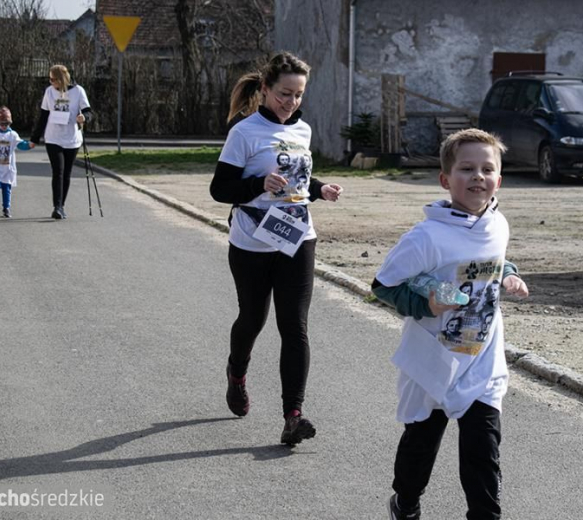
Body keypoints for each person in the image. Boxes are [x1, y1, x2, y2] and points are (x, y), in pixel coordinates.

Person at [371, 128, 529, 519]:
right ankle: (406, 503)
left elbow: (493, 261)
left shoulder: (499, 225)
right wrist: (424, 303)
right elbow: (383, 285)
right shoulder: (426, 237)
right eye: (466, 169)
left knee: (483, 452)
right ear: (445, 179)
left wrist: (508, 275)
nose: (478, 177)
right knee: (421, 445)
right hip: (434, 361)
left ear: (499, 180)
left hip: (482, 361)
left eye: (487, 169)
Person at [209, 52, 343, 446]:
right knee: (253, 319)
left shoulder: (303, 131)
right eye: (285, 93)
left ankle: (293, 416)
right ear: (266, 89)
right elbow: (220, 189)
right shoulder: (244, 132)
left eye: (298, 95)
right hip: (252, 241)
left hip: (297, 237)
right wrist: (257, 185)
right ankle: (237, 374)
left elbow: (296, 181)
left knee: (295, 326)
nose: (291, 102)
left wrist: (319, 189)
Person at [31, 64, 92, 220]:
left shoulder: (78, 91)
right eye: (50, 79)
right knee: (57, 171)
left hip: (72, 139)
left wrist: (84, 118)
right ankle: (56, 207)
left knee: (66, 174)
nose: (51, 82)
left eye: (53, 79)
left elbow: (88, 111)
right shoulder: (49, 92)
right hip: (53, 138)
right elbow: (43, 116)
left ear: (62, 79)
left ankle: (62, 206)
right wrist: (34, 138)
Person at [0, 107, 35, 218]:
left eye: (7, 123)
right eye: (2, 123)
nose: (4, 126)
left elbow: (21, 144)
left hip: (8, 167)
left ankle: (6, 208)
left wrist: (29, 145)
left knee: (6, 187)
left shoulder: (12, 135)